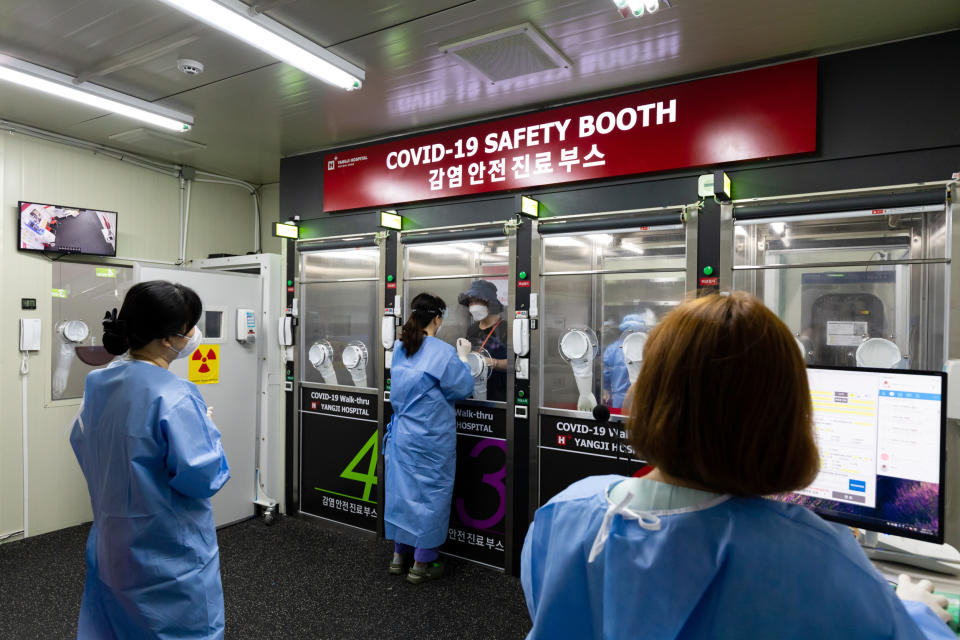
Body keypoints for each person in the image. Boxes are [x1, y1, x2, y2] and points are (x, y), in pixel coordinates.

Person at [521, 292, 954, 640]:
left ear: (651, 395)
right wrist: (916, 609)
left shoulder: (566, 513)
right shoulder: (813, 552)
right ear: (785, 413)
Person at [70, 281, 231, 640]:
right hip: (167, 552)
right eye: (189, 327)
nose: (193, 335)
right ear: (168, 339)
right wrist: (207, 430)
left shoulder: (98, 383)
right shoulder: (174, 396)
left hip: (112, 541)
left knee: (115, 625)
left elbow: (83, 445)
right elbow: (203, 477)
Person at [384, 293, 474, 584]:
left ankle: (399, 558)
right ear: (437, 318)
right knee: (431, 497)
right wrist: (463, 359)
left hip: (403, 436)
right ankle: (422, 564)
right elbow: (460, 387)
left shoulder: (401, 347)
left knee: (404, 495)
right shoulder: (441, 351)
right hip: (430, 439)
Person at [458, 279, 508, 401]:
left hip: (498, 394)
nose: (473, 306)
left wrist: (491, 362)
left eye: (477, 301)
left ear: (490, 303)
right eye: (471, 302)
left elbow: (517, 364)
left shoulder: (506, 328)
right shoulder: (472, 329)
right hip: (474, 393)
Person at [601, 310, 656, 410]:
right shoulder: (650, 347)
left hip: (619, 400)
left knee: (618, 424)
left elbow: (605, 375)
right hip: (644, 398)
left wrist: (609, 390)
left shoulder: (612, 349)